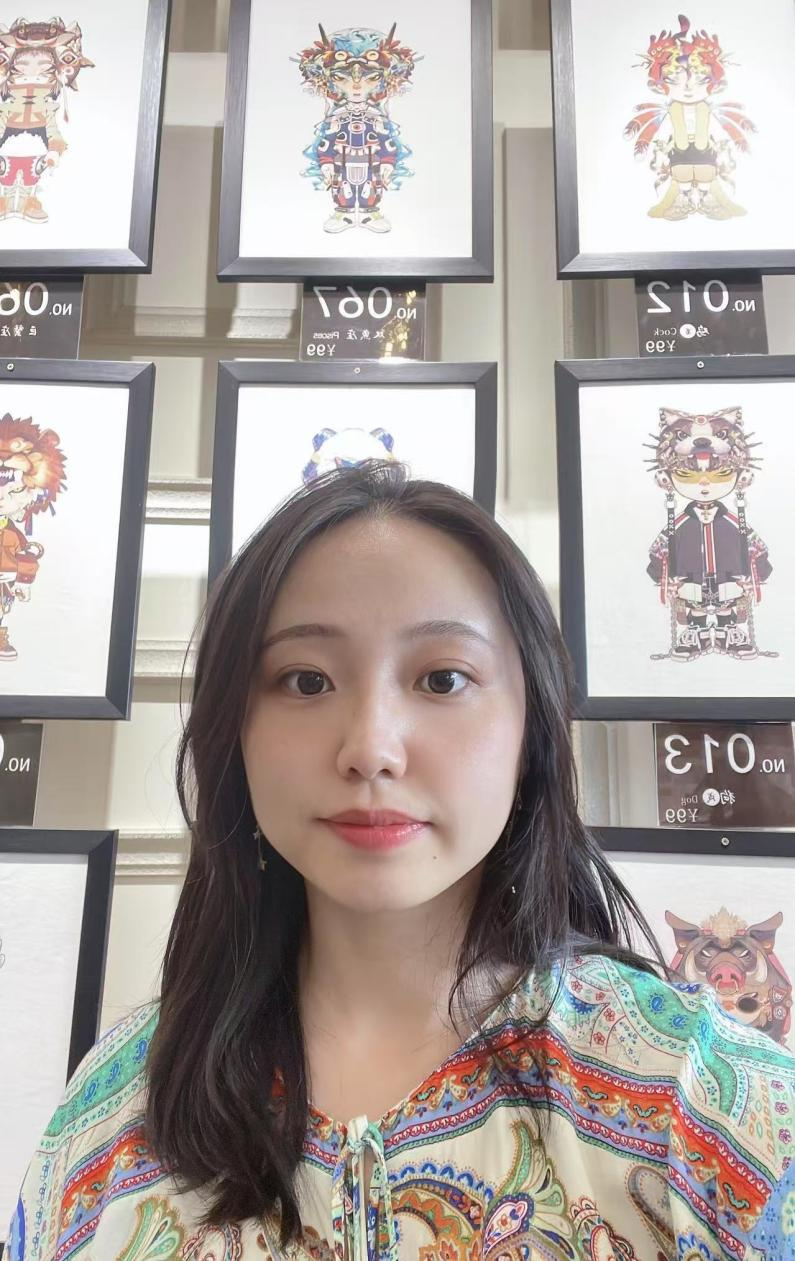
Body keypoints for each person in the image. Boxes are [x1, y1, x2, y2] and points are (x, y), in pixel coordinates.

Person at [7, 463, 794, 1260]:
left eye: (442, 678)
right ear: (233, 732)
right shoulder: (109, 1119)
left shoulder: (706, 1105)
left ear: (531, 729)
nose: (370, 748)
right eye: (306, 680)